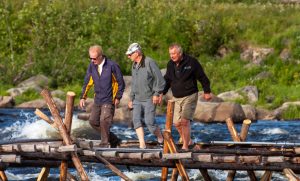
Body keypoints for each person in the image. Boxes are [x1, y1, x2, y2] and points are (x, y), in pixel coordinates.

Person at [163, 43, 212, 150]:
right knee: (176, 123)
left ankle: (185, 146)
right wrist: (161, 93)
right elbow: (167, 80)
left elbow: (202, 77)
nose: (172, 56)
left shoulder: (191, 62)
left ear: (180, 53)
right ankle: (189, 141)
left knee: (185, 121)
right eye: (170, 54)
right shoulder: (170, 64)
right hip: (176, 97)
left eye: (174, 53)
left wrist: (207, 91)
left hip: (190, 95)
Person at [79, 45, 125, 147]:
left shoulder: (112, 65)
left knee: (104, 120)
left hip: (109, 99)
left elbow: (121, 82)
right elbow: (87, 81)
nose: (92, 60)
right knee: (93, 121)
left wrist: (118, 97)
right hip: (98, 99)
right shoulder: (92, 66)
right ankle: (114, 139)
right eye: (90, 58)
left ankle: (104, 143)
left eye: (94, 58)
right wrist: (83, 97)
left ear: (101, 56)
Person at [126, 43, 165, 149]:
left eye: (130, 54)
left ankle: (161, 138)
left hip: (149, 98)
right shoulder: (134, 65)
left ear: (137, 53)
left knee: (150, 122)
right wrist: (131, 98)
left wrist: (157, 93)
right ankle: (142, 144)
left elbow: (160, 80)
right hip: (137, 99)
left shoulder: (149, 62)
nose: (128, 56)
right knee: (136, 121)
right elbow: (134, 83)